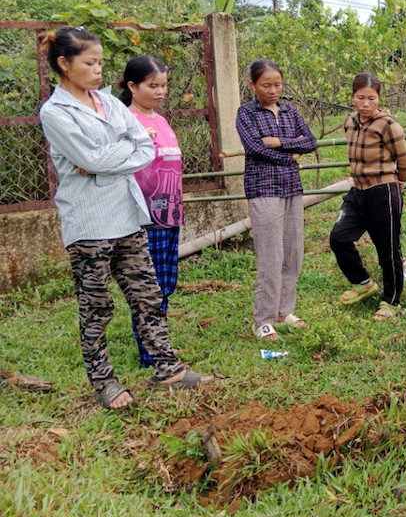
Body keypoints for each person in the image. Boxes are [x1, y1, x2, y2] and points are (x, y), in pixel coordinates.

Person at [37, 26, 211, 410]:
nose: (99, 70)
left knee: (147, 296)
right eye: (89, 62)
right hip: (90, 224)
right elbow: (95, 158)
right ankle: (105, 382)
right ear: (64, 64)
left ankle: (169, 370)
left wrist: (103, 160)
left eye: (100, 62)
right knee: (96, 306)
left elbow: (142, 147)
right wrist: (107, 157)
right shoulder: (55, 112)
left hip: (128, 216)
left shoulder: (108, 102)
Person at [235, 59, 318, 342]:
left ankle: (285, 311)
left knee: (293, 252)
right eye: (266, 85)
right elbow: (255, 148)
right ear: (253, 85)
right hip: (263, 188)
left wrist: (280, 142)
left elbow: (309, 141)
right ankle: (263, 320)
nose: (273, 90)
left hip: (291, 187)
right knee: (270, 255)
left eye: (277, 84)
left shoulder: (289, 110)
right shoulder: (246, 113)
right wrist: (290, 155)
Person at [117, 55, 183, 367]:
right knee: (147, 288)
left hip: (170, 216)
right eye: (152, 86)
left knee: (165, 285)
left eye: (164, 86)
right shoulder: (126, 122)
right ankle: (150, 354)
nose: (160, 91)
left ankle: (160, 346)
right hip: (144, 219)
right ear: (132, 86)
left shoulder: (161, 120)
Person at [329, 73, 406, 321]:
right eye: (360, 97)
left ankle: (392, 300)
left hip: (383, 190)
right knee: (339, 238)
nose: (366, 103)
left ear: (378, 98)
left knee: (387, 248)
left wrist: (400, 182)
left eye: (371, 98)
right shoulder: (350, 121)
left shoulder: (388, 125)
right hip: (358, 191)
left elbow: (404, 159)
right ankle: (363, 282)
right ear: (352, 98)